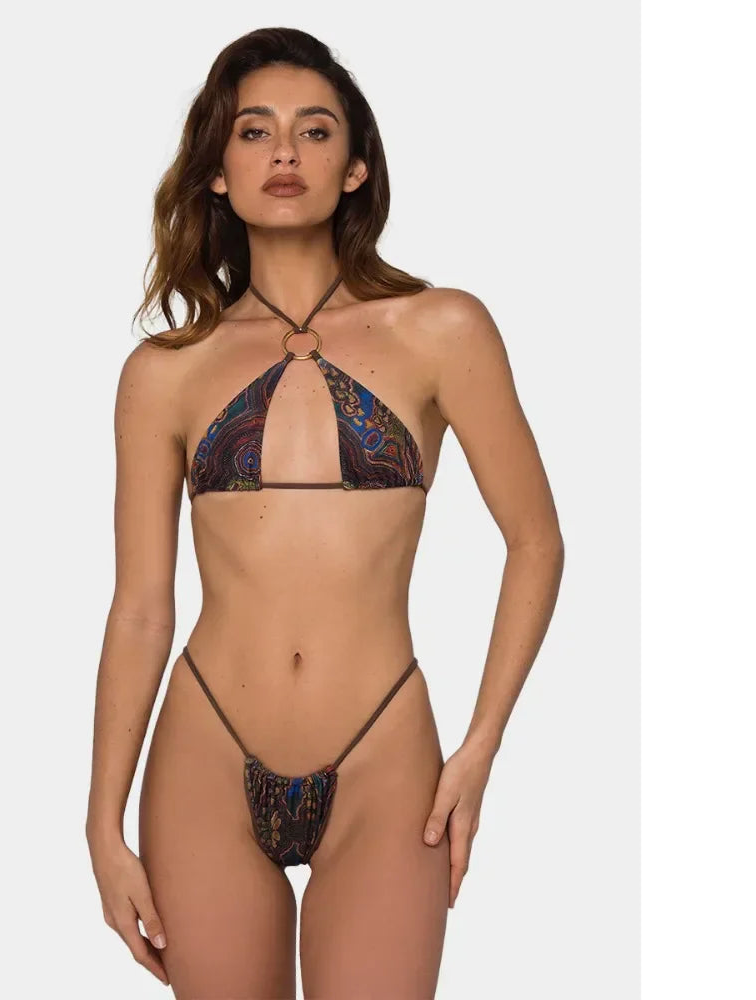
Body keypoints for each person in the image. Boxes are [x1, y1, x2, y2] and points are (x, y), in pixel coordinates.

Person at [85, 26, 564, 996]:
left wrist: (480, 746)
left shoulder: (442, 328)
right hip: (204, 754)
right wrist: (102, 821)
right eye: (254, 131)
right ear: (216, 170)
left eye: (314, 131)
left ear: (355, 167)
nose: (285, 153)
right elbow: (139, 608)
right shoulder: (164, 372)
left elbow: (534, 542)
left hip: (384, 754)